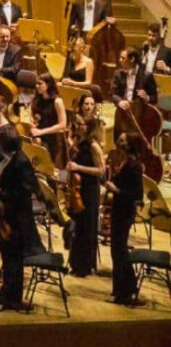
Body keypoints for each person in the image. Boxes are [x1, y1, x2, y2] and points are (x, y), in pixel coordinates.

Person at [0, 131, 42, 312]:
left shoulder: (21, 162)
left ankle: (11, 298)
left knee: (13, 259)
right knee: (8, 257)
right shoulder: (7, 158)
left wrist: (1, 192)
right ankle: (8, 294)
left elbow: (26, 191)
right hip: (6, 215)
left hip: (17, 219)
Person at [107, 133, 145, 306]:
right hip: (118, 210)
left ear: (130, 145)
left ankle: (127, 291)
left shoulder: (135, 166)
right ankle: (121, 291)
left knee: (120, 251)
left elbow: (137, 195)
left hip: (124, 212)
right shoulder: (124, 162)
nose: (119, 142)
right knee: (117, 251)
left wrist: (116, 190)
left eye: (123, 140)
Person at [67, 116, 106, 277]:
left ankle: (85, 266)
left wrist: (78, 167)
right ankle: (76, 263)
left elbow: (101, 171)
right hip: (78, 188)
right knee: (79, 227)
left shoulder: (94, 146)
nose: (78, 126)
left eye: (81, 124)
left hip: (89, 190)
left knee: (87, 227)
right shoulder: (80, 142)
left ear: (89, 128)